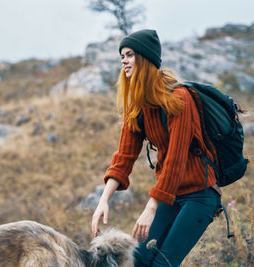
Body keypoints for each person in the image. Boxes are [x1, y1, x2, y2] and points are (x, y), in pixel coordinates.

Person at [91, 29, 222, 266]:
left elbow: (176, 160)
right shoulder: (137, 104)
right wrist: (103, 200)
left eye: (129, 54)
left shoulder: (180, 98)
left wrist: (150, 207)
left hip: (200, 196)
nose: (123, 60)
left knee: (162, 263)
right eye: (122, 55)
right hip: (170, 195)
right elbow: (124, 157)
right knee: (139, 260)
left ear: (145, 58)